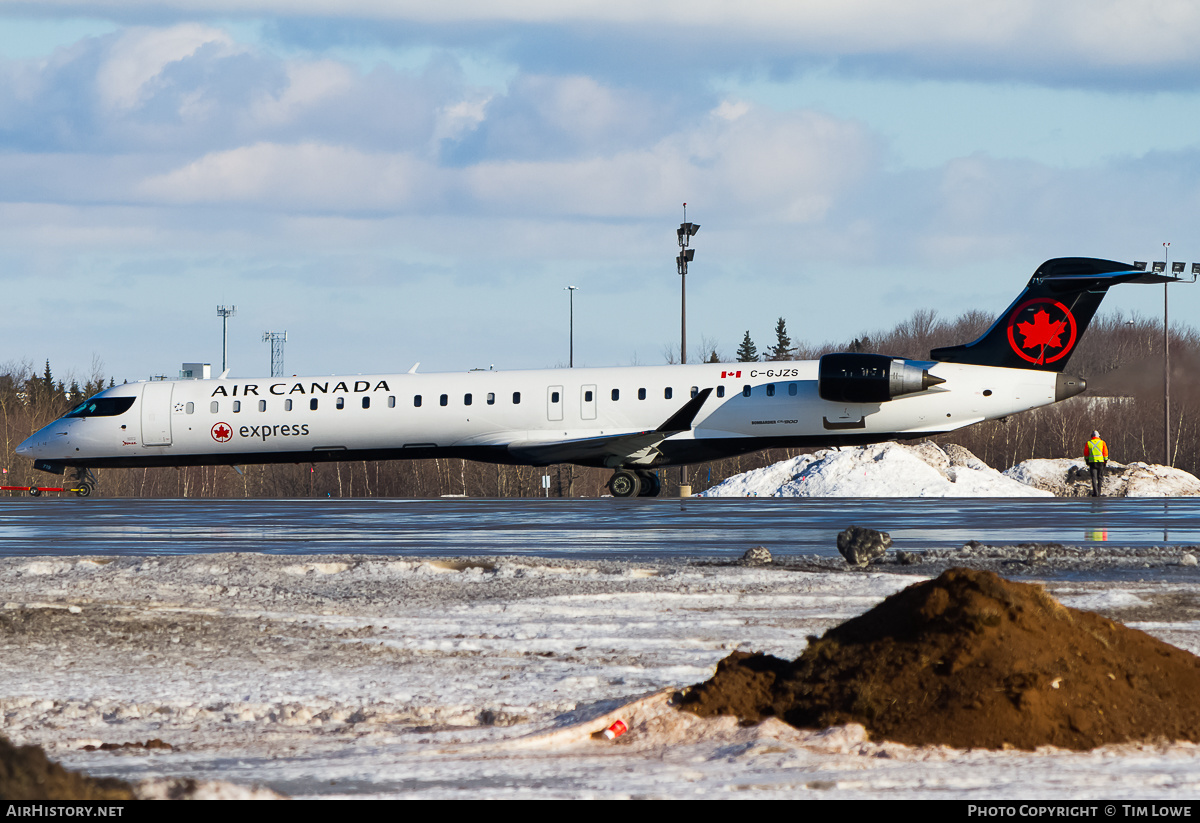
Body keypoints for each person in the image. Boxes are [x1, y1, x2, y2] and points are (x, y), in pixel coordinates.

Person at [1085, 430, 1109, 497]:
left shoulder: (1089, 443)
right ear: (1098, 436)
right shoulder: (1102, 442)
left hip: (1092, 463)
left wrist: (1087, 460)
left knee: (1093, 478)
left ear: (1092, 436)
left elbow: (1086, 453)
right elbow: (1105, 452)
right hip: (1101, 462)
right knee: (1100, 477)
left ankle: (1095, 493)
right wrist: (1105, 460)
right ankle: (1099, 492)